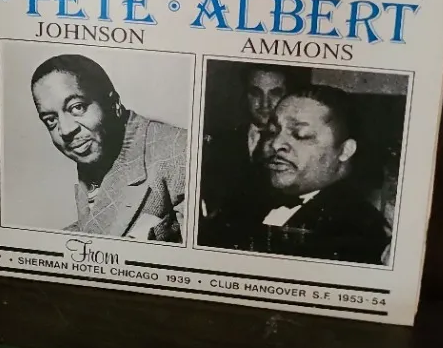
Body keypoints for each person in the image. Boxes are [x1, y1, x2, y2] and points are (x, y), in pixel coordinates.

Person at [204, 85, 389, 265]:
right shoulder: (244, 199)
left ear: (345, 150)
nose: (276, 144)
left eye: (300, 134)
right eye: (273, 131)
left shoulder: (358, 231)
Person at [31, 54, 186, 240]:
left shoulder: (182, 151)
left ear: (113, 104)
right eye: (51, 120)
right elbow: (93, 227)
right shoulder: (94, 151)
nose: (65, 130)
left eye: (77, 107)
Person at [199, 65, 289, 223]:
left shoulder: (295, 147)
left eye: (275, 93)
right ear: (245, 96)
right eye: (256, 93)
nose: (265, 103)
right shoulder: (218, 143)